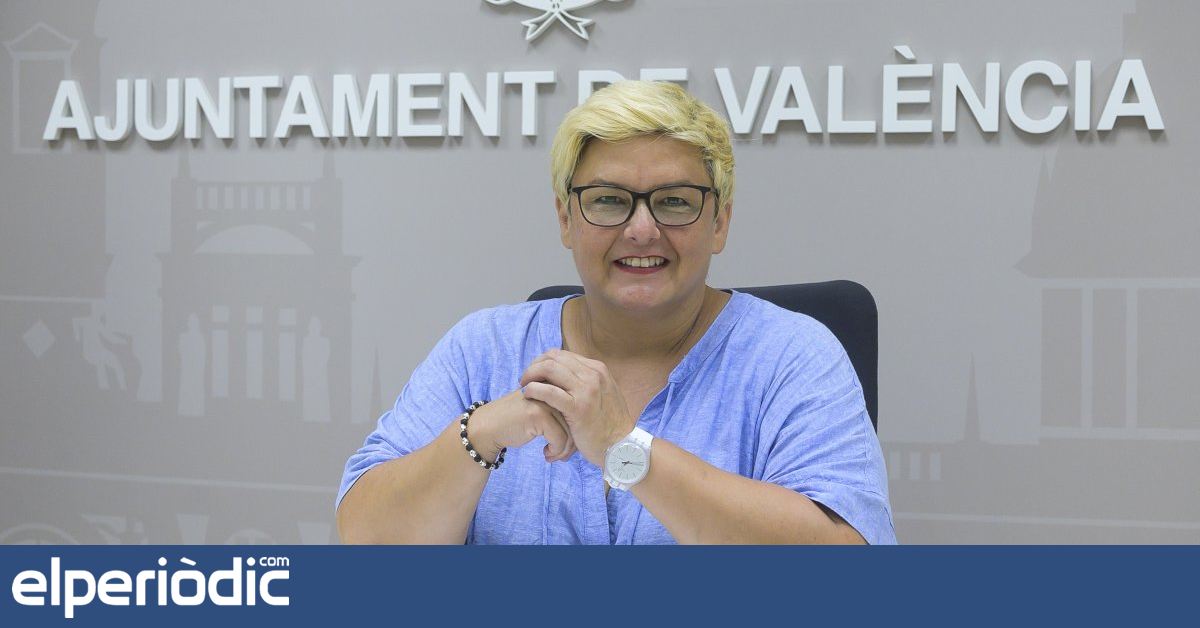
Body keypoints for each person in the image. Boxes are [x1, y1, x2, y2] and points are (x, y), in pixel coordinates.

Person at [336, 80, 896, 544]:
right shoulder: (482, 347)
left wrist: (626, 449)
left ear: (719, 222)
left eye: (674, 201)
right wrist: (479, 434)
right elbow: (363, 537)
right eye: (608, 200)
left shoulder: (795, 356)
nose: (642, 229)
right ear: (566, 219)